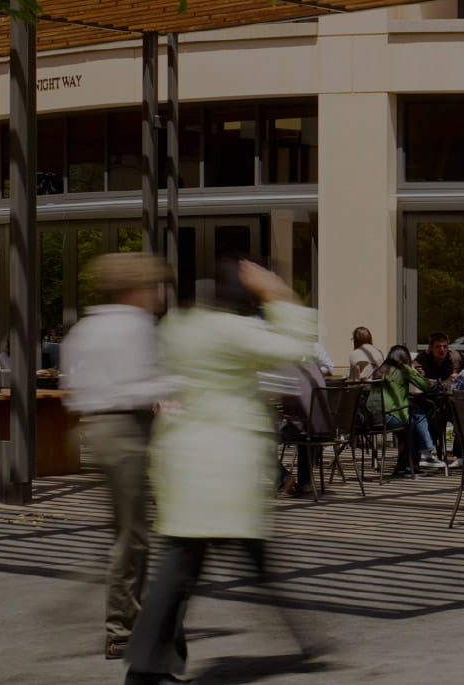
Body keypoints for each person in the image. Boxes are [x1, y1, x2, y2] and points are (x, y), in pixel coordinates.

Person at [124, 258, 325, 684]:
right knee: (191, 568)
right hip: (223, 467)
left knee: (187, 565)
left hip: (183, 462)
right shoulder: (233, 331)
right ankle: (144, 669)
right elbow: (294, 347)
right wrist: (278, 294)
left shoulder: (180, 327)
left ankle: (149, 667)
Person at [63, 252, 174, 661]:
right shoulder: (135, 326)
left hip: (97, 428)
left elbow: (72, 385)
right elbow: (141, 385)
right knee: (133, 536)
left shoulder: (85, 327)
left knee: (128, 532)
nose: (161, 293)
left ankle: (127, 617)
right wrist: (177, 384)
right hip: (127, 430)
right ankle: (122, 628)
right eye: (156, 285)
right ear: (137, 288)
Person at [376, 345, 437, 476]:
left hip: (374, 418)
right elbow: (426, 386)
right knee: (417, 417)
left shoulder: (381, 369)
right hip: (392, 416)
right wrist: (413, 370)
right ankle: (420, 456)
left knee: (413, 417)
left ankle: (405, 465)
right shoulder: (404, 369)